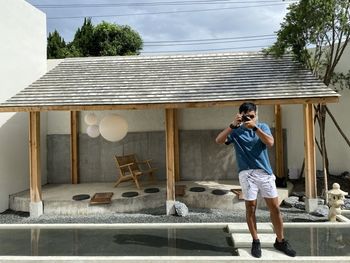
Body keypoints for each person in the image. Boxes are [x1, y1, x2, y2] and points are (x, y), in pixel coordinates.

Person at [215, 102, 296, 258]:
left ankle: (280, 240)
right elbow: (219, 140)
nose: (250, 119)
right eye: (247, 116)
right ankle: (255, 240)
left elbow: (270, 142)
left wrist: (255, 127)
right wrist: (232, 125)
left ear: (256, 115)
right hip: (246, 174)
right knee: (251, 208)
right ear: (240, 115)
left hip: (265, 173)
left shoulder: (262, 127)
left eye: (252, 116)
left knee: (275, 208)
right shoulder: (236, 131)